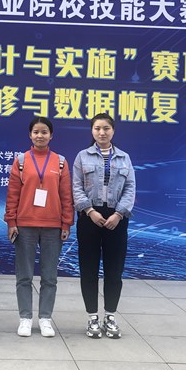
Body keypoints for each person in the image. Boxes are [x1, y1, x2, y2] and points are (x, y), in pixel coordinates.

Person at [5, 117, 74, 338]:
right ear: (30, 135)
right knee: (24, 276)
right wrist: (11, 221)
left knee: (49, 277)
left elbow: (66, 196)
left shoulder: (60, 162)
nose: (40, 136)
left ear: (51, 135)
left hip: (53, 227)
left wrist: (66, 222)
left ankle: (45, 318)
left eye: (44, 132)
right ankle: (25, 318)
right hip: (25, 226)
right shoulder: (21, 161)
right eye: (36, 132)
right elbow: (12, 194)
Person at [72, 113, 135, 339]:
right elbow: (76, 187)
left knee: (114, 270)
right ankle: (92, 317)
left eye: (106, 128)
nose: (102, 132)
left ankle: (110, 316)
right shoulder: (82, 156)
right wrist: (90, 211)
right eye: (97, 128)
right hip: (89, 217)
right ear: (92, 131)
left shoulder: (124, 158)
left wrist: (118, 214)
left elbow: (130, 188)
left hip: (116, 219)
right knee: (88, 269)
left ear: (113, 131)